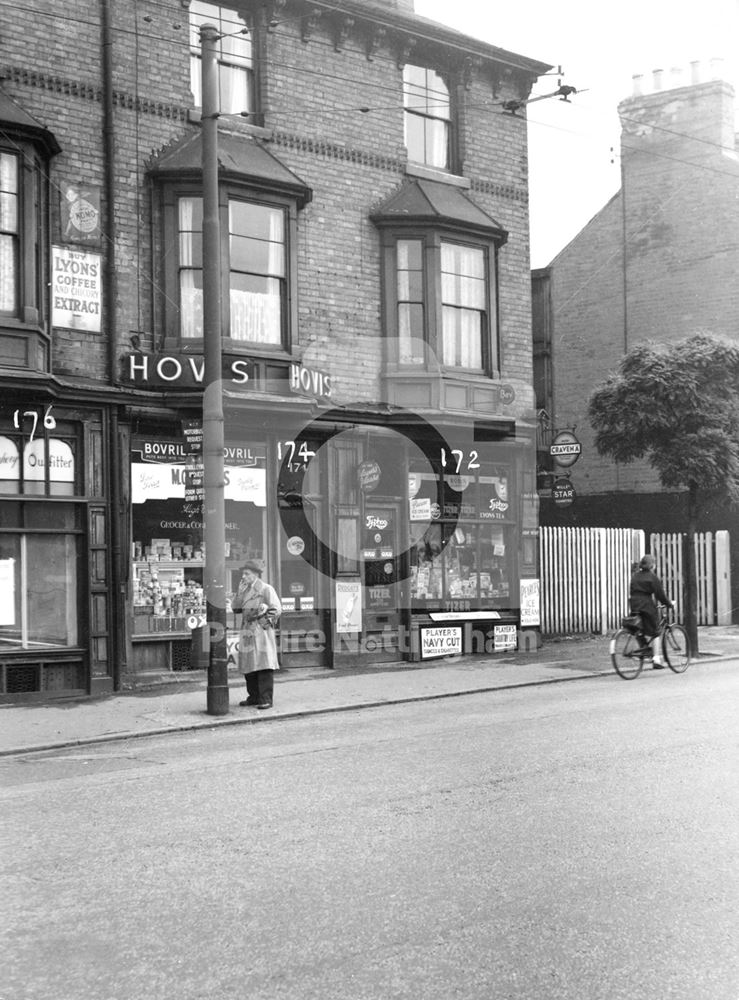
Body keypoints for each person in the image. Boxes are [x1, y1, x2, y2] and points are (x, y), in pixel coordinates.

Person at [231, 560, 281, 708]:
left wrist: (263, 623)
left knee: (264, 664)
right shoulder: (244, 590)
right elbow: (235, 609)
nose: (243, 576)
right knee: (249, 665)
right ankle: (253, 696)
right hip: (247, 631)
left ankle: (266, 699)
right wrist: (239, 594)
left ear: (256, 575)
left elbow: (276, 609)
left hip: (260, 632)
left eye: (247, 573)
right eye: (243, 573)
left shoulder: (266, 589)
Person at [630, 554, 673, 668]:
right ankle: (656, 659)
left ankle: (643, 649)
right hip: (646, 605)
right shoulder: (652, 577)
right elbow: (660, 594)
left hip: (634, 605)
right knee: (656, 631)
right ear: (652, 565)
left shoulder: (635, 576)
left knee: (639, 628)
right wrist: (669, 604)